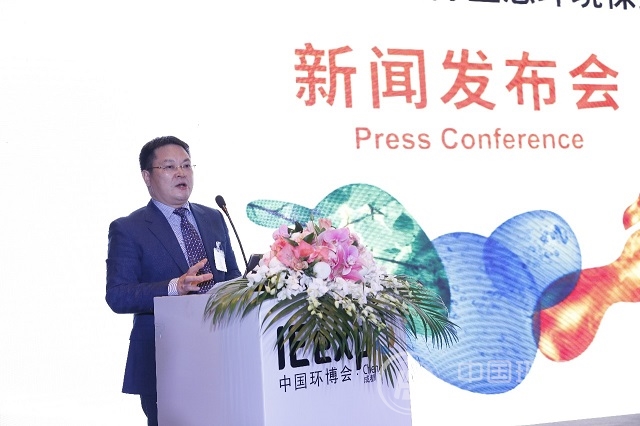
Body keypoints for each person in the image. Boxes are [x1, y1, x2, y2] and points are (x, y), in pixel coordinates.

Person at [105, 136, 241, 425]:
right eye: (169, 167)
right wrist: (174, 288)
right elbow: (118, 295)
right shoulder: (128, 228)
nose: (181, 173)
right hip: (165, 359)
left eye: (186, 165)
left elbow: (232, 276)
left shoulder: (214, 217)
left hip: (220, 352)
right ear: (147, 176)